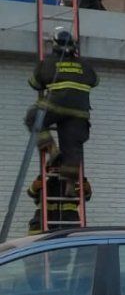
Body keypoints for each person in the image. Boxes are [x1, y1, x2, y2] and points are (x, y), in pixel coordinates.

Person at [24, 28, 98, 191]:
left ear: (55, 45)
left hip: (56, 106)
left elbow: (34, 84)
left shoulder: (49, 62)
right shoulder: (85, 65)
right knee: (72, 147)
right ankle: (70, 184)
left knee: (32, 117)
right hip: (80, 113)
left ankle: (51, 148)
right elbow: (95, 81)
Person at [27, 174, 92, 235]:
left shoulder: (71, 186)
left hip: (68, 222)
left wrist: (87, 190)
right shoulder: (45, 184)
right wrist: (34, 187)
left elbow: (86, 197)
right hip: (44, 222)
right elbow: (31, 193)